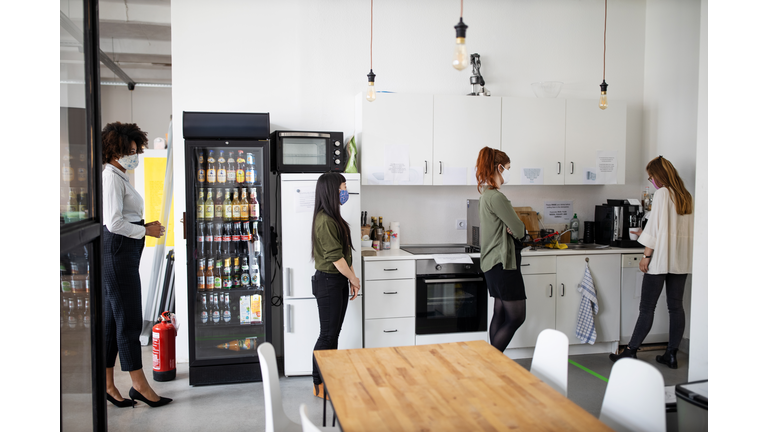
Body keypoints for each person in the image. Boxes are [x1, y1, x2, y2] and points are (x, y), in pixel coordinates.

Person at [102, 122, 172, 408]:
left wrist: (143, 225)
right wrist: (146, 231)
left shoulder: (120, 176)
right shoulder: (111, 178)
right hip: (119, 253)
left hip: (121, 251)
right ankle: (139, 385)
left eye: (136, 151)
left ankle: (107, 385)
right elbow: (114, 222)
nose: (135, 156)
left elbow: (123, 219)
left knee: (110, 322)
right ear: (115, 151)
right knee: (130, 321)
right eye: (130, 152)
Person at [609, 156, 694, 368]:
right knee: (676, 307)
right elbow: (675, 229)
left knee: (647, 307)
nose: (651, 181)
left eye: (651, 177)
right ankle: (671, 354)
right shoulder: (686, 195)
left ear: (660, 175)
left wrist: (646, 256)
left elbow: (655, 229)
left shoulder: (663, 193)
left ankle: (631, 351)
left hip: (660, 258)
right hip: (680, 259)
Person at [310, 172, 361, 398]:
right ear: (332, 191)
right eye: (343, 187)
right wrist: (353, 278)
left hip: (337, 280)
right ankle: (318, 384)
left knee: (334, 334)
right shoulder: (324, 220)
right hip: (329, 282)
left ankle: (328, 379)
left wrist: (350, 277)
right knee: (327, 335)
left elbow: (344, 255)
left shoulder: (333, 217)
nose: (345, 191)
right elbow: (336, 258)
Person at [475, 147, 527, 352]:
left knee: (500, 313)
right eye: (507, 168)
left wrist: (510, 228)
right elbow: (520, 230)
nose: (507, 174)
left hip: (491, 264)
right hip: (503, 264)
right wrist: (513, 228)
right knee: (516, 317)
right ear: (498, 167)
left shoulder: (485, 196)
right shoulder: (497, 197)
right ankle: (491, 361)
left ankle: (492, 363)